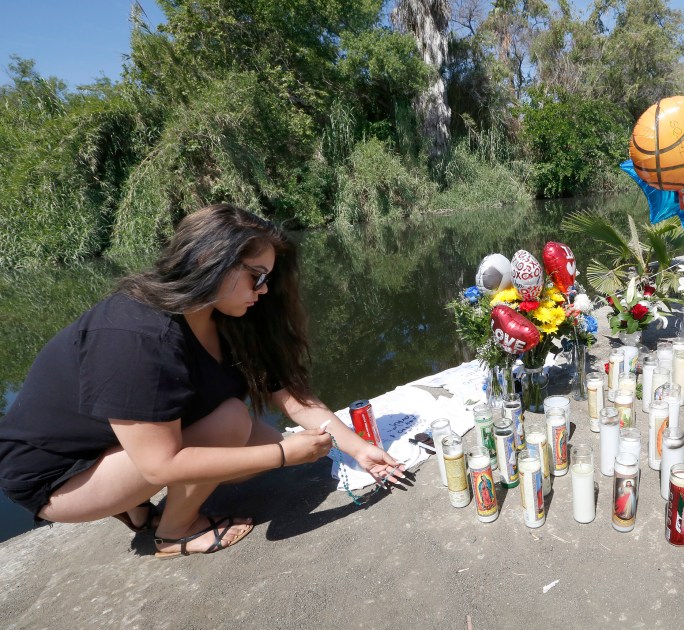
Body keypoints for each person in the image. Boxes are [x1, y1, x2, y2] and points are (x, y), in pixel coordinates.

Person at [0, 204, 406, 558]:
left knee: (257, 442)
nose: (264, 290)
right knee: (234, 423)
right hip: (60, 479)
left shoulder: (225, 317)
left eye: (267, 278)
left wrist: (357, 447)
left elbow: (290, 396)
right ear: (210, 259)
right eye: (257, 276)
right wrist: (286, 455)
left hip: (113, 446)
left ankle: (136, 508)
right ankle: (173, 533)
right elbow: (160, 465)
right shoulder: (137, 334)